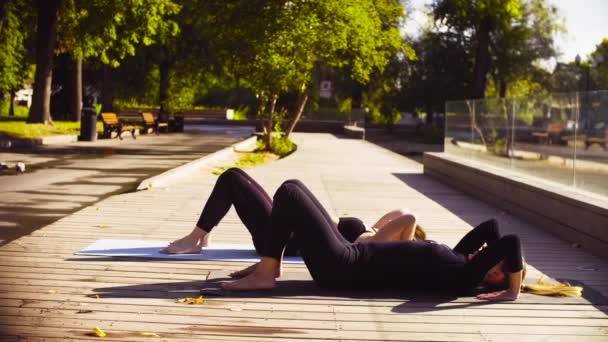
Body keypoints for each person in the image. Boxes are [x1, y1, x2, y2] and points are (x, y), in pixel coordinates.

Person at [222, 179, 526, 301]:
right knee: (292, 187)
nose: (487, 255)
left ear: (491, 281)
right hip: (346, 256)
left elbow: (509, 241)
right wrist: (512, 271)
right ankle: (269, 266)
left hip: (341, 266)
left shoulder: (463, 278)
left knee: (289, 194)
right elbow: (492, 227)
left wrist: (512, 292)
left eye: (496, 267)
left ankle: (267, 271)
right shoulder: (461, 261)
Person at [160, 168, 425, 256]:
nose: (393, 220)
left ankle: (196, 237)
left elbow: (408, 218)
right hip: (285, 227)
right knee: (236, 176)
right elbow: (403, 213)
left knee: (232, 180)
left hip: (278, 239)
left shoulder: (374, 246)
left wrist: (410, 239)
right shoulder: (373, 231)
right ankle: (202, 235)